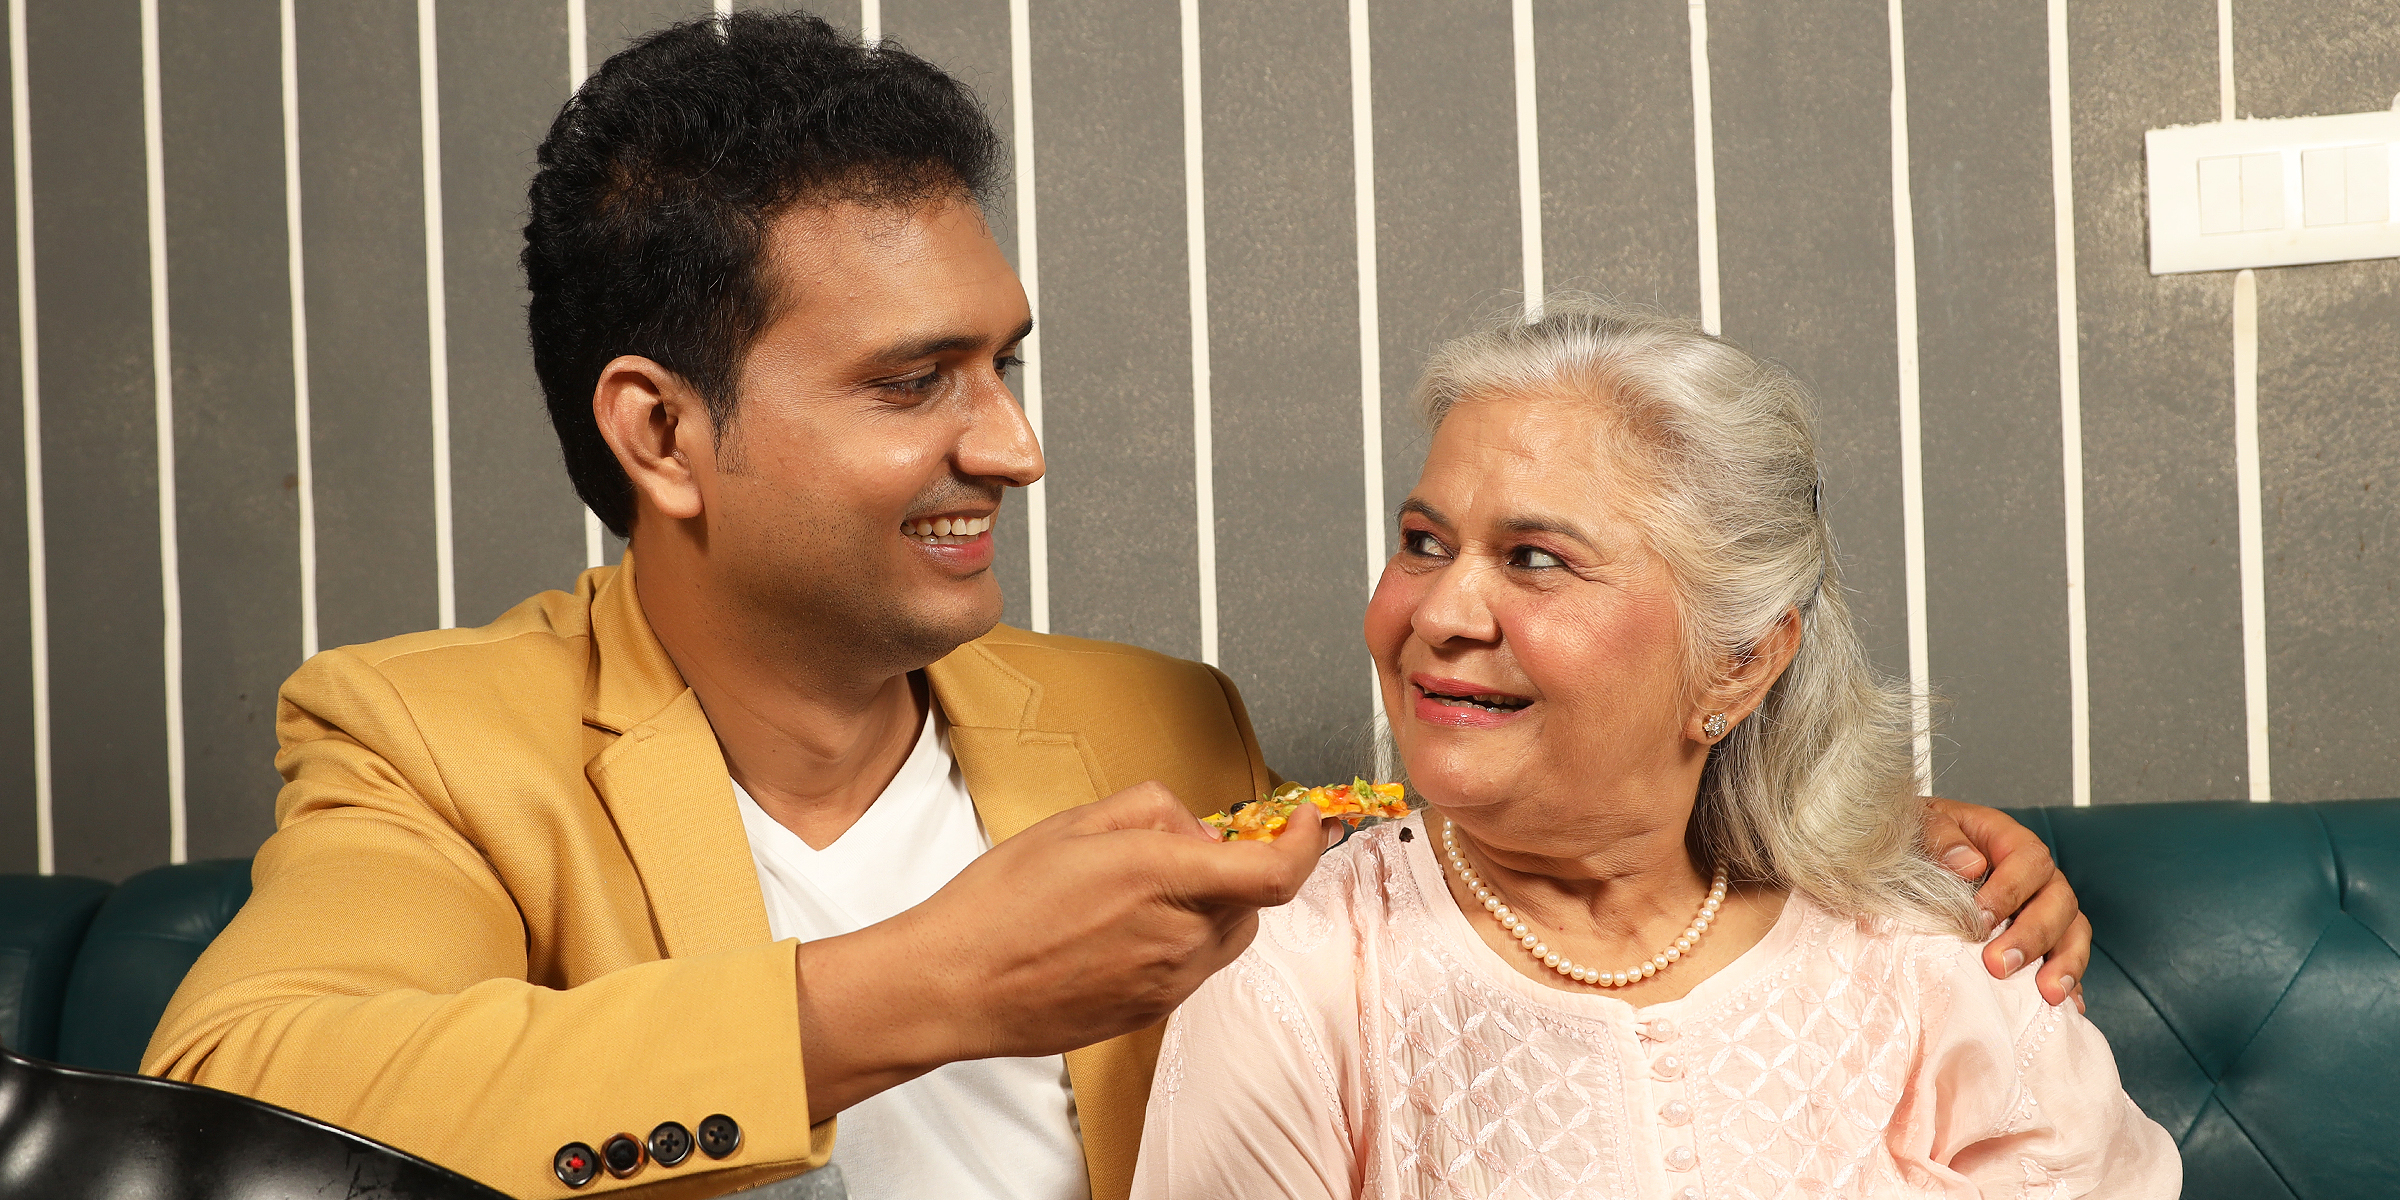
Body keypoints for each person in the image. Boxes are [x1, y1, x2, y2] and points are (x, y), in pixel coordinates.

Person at [144, 15, 2090, 1200]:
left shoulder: (1163, 726)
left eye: (1008, 363)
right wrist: (914, 993)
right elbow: (238, 1102)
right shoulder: (428, 737)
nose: (1016, 445)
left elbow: (1504, 854)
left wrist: (1843, 837)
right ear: (661, 434)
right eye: (918, 385)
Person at [1132, 300, 2173, 1199]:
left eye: (1535, 559)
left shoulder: (1938, 958)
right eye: (1423, 542)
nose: (1440, 612)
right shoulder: (1290, 978)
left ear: (1738, 665)